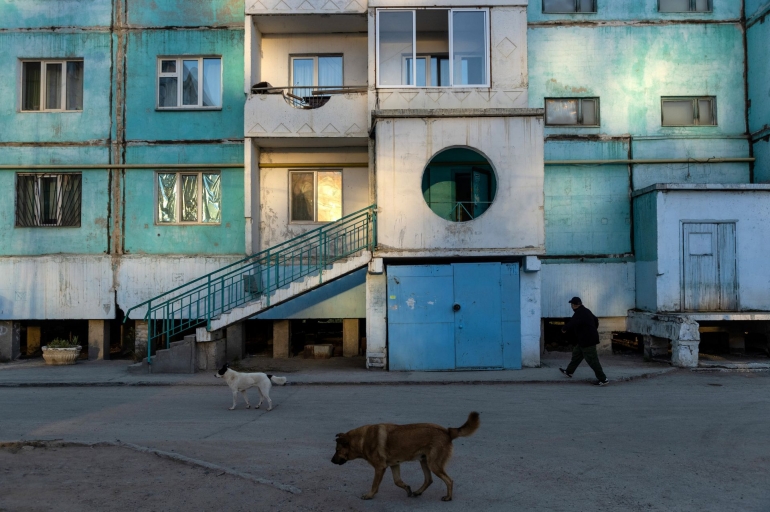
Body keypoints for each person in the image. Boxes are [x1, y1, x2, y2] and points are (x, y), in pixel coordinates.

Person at [559, 297, 609, 386]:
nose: (571, 306)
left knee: (592, 360)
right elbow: (596, 320)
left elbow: (572, 322)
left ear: (574, 305)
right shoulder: (586, 310)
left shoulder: (579, 313)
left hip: (588, 340)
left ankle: (603, 379)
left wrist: (564, 328)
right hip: (584, 339)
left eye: (572, 305)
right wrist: (592, 329)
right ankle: (569, 372)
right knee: (577, 354)